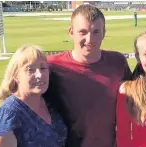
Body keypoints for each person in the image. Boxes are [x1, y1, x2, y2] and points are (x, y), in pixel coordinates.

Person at [43, 5, 132, 147]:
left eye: (96, 32)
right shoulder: (51, 66)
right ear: (71, 32)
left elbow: (136, 100)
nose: (90, 39)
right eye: (83, 32)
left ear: (104, 33)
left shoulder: (118, 62)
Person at [0, 44, 67, 147]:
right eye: (30, 69)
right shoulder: (8, 115)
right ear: (15, 76)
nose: (39, 75)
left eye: (43, 68)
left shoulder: (50, 103)